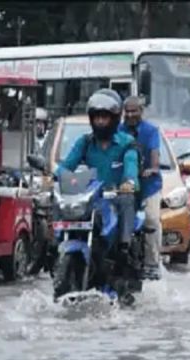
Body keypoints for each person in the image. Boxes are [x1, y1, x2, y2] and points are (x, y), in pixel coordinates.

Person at [55, 90, 139, 259]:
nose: (100, 122)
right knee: (58, 202)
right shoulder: (85, 142)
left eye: (104, 117)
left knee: (127, 200)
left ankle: (124, 247)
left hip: (115, 197)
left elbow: (131, 165)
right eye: (96, 117)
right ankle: (52, 245)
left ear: (114, 119)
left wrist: (129, 182)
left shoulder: (127, 143)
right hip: (91, 199)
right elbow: (66, 166)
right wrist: (59, 176)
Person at [119, 95, 163, 280]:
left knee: (151, 220)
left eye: (134, 111)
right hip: (123, 185)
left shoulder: (151, 131)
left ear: (141, 111)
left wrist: (152, 169)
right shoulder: (118, 130)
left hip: (148, 185)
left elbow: (154, 154)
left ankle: (152, 263)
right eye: (127, 111)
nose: (130, 115)